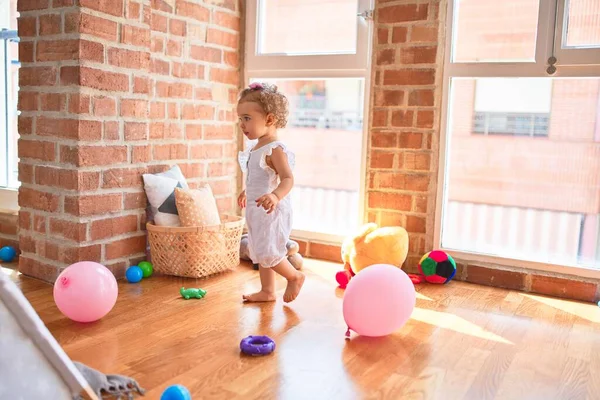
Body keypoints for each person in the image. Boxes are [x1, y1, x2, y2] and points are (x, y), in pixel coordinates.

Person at [237, 82, 305, 303]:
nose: (242, 124)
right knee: (259, 249)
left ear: (269, 119)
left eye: (247, 118)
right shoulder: (255, 148)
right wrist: (246, 191)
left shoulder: (274, 149)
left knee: (269, 251)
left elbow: (287, 178)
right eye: (240, 119)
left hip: (271, 210)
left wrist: (275, 196)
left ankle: (294, 276)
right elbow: (258, 177)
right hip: (257, 208)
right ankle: (268, 291)